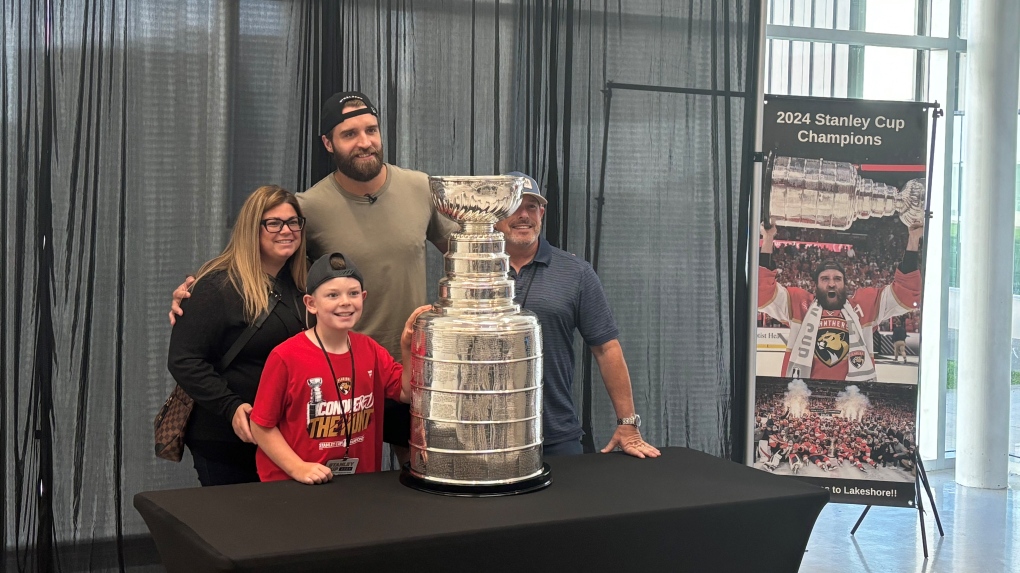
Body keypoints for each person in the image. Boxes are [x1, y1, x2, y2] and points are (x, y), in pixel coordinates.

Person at [171, 91, 458, 463]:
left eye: (371, 130)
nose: (365, 142)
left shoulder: (420, 188)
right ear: (328, 143)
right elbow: (263, 264)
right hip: (340, 378)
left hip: (408, 370)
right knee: (350, 489)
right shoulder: (308, 207)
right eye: (349, 134)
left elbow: (463, 253)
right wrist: (197, 290)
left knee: (419, 480)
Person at [494, 172, 659, 458]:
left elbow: (607, 349)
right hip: (485, 436)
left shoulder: (575, 273)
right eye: (513, 206)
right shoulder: (473, 270)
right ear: (494, 212)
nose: (523, 215)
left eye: (531, 206)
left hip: (555, 436)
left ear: (542, 213)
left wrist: (628, 424)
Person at [167, 185, 308, 486]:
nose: (287, 230)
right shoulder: (216, 286)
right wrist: (231, 407)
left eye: (293, 222)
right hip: (228, 438)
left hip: (286, 437)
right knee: (236, 530)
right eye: (273, 223)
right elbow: (184, 360)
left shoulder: (302, 285)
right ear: (250, 228)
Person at [250, 252, 430, 484]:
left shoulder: (370, 350)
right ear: (311, 304)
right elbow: (261, 425)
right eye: (332, 295)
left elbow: (405, 394)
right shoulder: (286, 357)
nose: (345, 302)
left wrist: (407, 348)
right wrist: (298, 468)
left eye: (353, 293)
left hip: (358, 484)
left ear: (363, 297)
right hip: (294, 486)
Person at [758, 220, 923, 381]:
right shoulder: (798, 304)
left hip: (851, 398)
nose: (831, 283)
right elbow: (762, 294)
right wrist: (768, 240)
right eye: (825, 279)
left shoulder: (865, 306)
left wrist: (913, 240)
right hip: (803, 397)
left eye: (837, 278)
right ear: (815, 284)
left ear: (845, 284)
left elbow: (905, 295)